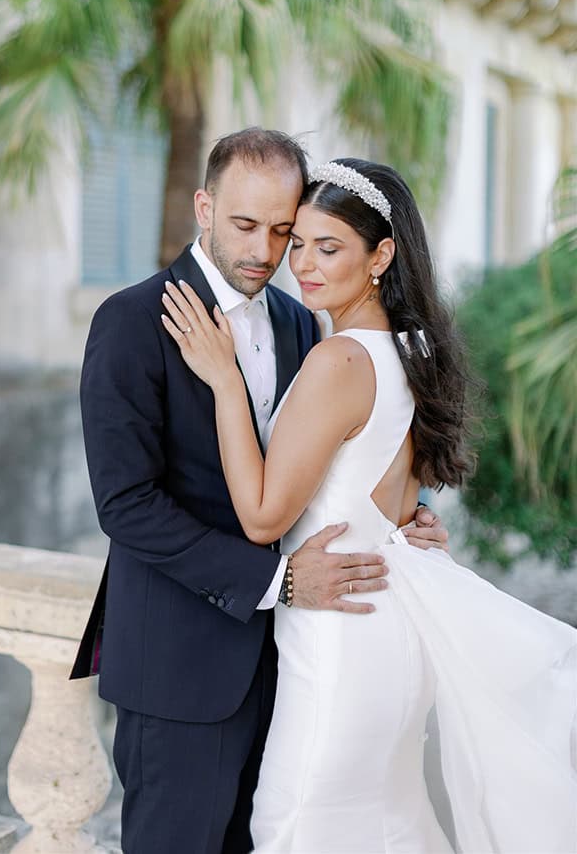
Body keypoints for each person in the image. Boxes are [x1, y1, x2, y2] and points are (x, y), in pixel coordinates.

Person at [162, 157, 577, 853]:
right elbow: (387, 501)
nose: (303, 265)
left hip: (340, 639)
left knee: (299, 825)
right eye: (298, 244)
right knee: (385, 821)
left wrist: (224, 381)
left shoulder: (339, 361)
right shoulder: (407, 351)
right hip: (385, 628)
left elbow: (264, 517)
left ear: (382, 254)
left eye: (329, 248)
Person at [69, 130, 447, 854]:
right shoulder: (130, 321)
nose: (267, 252)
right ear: (203, 207)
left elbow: (332, 457)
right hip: (182, 673)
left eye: (284, 231)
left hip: (296, 667)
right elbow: (125, 505)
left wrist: (410, 516)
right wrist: (278, 580)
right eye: (245, 226)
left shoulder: (303, 321)